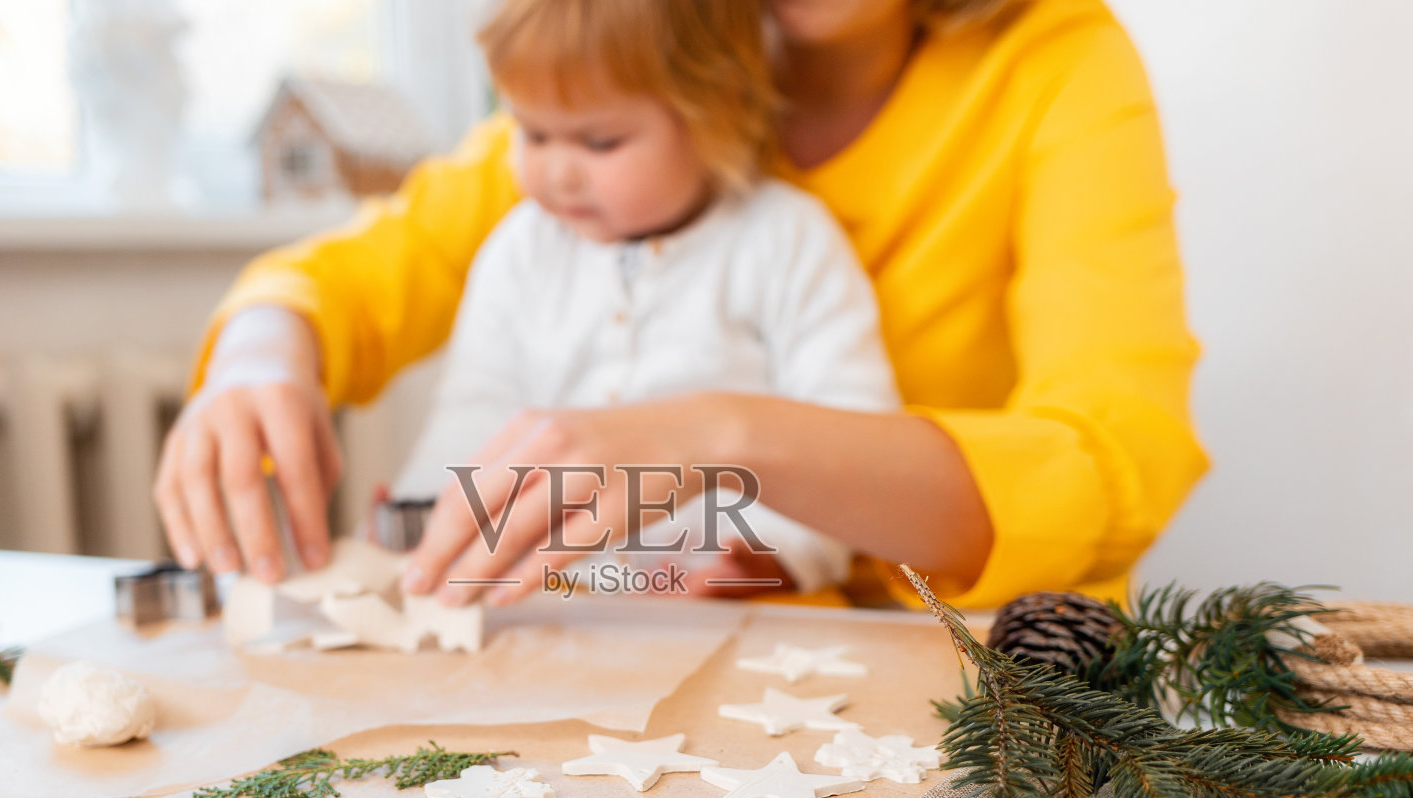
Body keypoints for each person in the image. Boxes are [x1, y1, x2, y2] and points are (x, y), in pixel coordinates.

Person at [154, 0, 1208, 610]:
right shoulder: (643, 41)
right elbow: (377, 265)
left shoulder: (1055, 60)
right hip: (636, 650)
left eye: (602, 143)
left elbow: (1111, 464)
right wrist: (261, 355)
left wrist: (723, 437)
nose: (565, 165)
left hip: (968, 672)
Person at [391, 0, 899, 599]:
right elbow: (477, 409)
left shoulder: (787, 240)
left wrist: (772, 555)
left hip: (750, 616)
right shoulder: (520, 248)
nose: (557, 172)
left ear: (719, 113)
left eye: (600, 142)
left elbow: (851, 432)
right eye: (533, 133)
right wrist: (424, 511)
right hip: (563, 605)